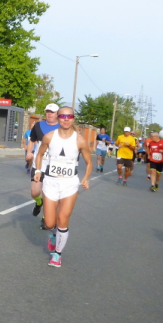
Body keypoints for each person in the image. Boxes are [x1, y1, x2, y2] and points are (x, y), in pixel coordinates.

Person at [33, 107, 92, 268]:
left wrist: (86, 178)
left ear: (73, 119)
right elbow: (40, 154)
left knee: (63, 219)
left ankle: (57, 254)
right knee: (50, 223)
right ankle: (54, 235)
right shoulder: (49, 137)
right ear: (58, 118)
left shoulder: (80, 140)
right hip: (51, 183)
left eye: (69, 116)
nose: (66, 119)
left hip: (69, 184)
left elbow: (89, 162)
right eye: (63, 116)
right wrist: (38, 171)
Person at [25, 103, 61, 228]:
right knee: (35, 192)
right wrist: (29, 152)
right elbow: (32, 141)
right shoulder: (38, 125)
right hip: (38, 163)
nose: (49, 114)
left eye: (52, 112)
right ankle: (38, 202)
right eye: (47, 111)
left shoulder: (62, 128)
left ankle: (46, 218)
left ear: (57, 114)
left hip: (54, 166)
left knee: (49, 194)